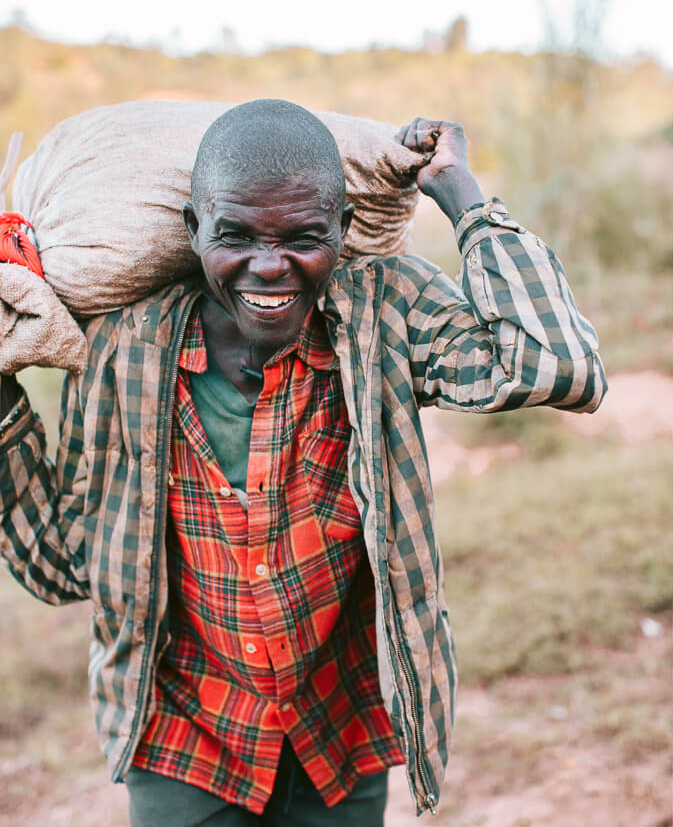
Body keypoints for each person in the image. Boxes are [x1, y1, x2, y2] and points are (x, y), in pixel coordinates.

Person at [0, 99, 606, 826]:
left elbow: (558, 367)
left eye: (303, 237)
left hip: (338, 729)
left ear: (344, 231)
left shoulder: (383, 314)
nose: (268, 266)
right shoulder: (123, 351)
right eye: (235, 236)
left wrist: (462, 196)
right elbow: (61, 568)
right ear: (194, 232)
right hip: (182, 737)